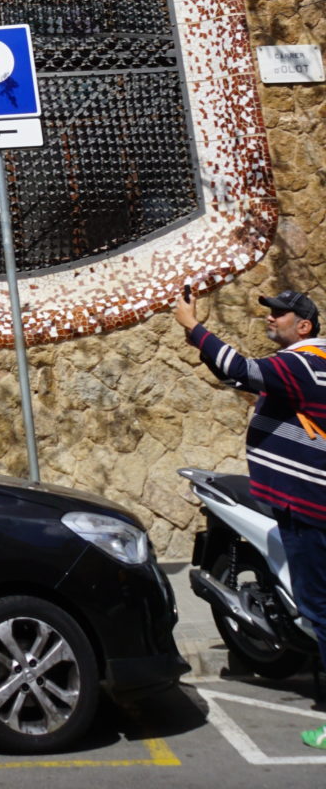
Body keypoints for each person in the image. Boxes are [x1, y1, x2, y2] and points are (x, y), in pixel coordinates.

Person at [175, 284, 326, 749]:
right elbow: (244, 380)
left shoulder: (302, 362)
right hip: (304, 506)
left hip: (309, 509)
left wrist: (192, 328)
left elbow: (240, 369)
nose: (271, 318)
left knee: (321, 612)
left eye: (280, 314)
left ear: (303, 326)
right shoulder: (308, 366)